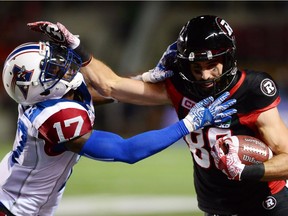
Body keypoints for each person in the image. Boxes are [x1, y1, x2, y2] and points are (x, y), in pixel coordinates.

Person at [27, 15, 288, 215]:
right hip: (215, 206)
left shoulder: (252, 89)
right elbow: (111, 86)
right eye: (197, 67)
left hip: (266, 204)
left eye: (212, 65)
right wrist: (77, 47)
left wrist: (247, 170)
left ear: (228, 58)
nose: (205, 75)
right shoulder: (178, 85)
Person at [0, 40, 236, 216]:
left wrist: (145, 79)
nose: (62, 67)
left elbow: (101, 94)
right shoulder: (55, 118)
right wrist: (189, 123)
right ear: (38, 86)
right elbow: (126, 151)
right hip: (15, 208)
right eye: (52, 69)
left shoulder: (44, 97)